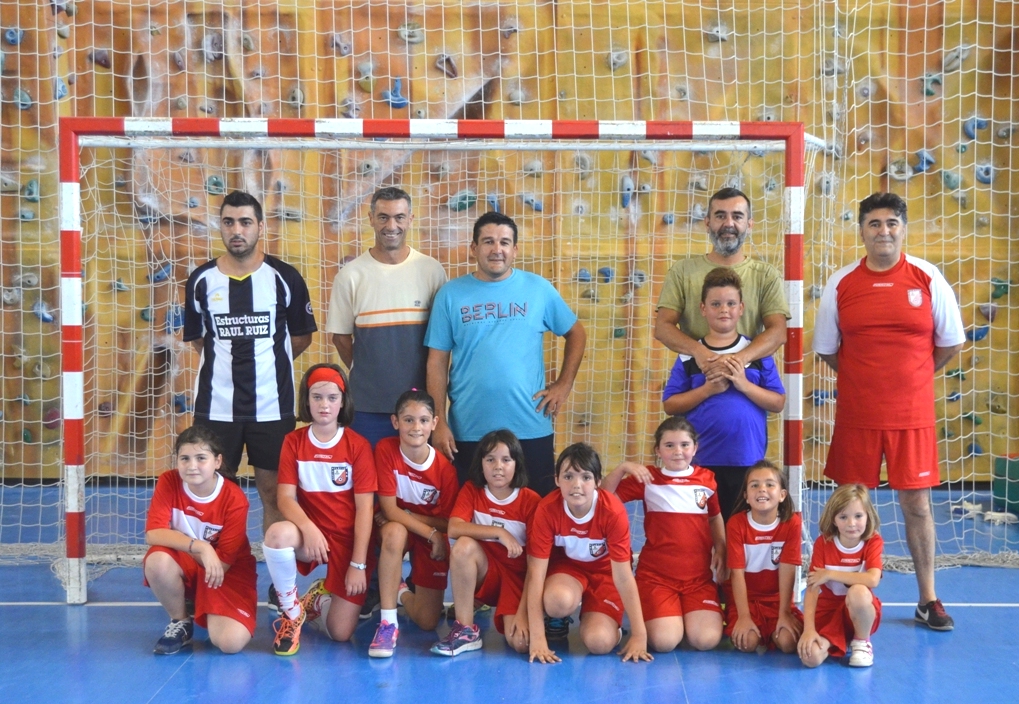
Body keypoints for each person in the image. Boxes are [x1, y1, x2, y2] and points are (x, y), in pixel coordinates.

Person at [813, 192, 965, 631]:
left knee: (917, 505)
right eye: (874, 223)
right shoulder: (841, 283)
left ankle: (928, 598)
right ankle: (840, 597)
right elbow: (827, 350)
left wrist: (910, 378)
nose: (884, 231)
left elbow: (950, 343)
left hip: (911, 417)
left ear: (903, 228)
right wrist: (867, 381)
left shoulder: (928, 277)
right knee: (848, 509)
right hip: (857, 417)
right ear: (861, 230)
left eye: (891, 223)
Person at [184, 190, 317, 537]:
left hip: (272, 408)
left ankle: (279, 582)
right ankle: (217, 577)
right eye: (229, 222)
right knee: (213, 494)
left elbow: (301, 338)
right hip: (216, 408)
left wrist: (271, 365)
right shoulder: (200, 280)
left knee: (275, 494)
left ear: (260, 226)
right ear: (221, 227)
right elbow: (200, 340)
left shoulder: (285, 277)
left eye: (245, 222)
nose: (237, 230)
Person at [425, 211, 586, 496]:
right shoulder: (450, 295)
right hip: (470, 428)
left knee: (537, 511)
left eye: (504, 242)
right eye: (488, 241)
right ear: (473, 248)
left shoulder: (538, 289)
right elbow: (436, 362)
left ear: (515, 249)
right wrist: (439, 422)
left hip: (530, 425)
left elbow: (576, 333)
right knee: (473, 513)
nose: (496, 249)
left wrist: (563, 385)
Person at [262, 364, 376, 656]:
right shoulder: (294, 441)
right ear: (306, 400)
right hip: (310, 538)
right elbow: (285, 498)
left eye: (332, 397)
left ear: (343, 400)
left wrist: (358, 564)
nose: (324, 405)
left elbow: (365, 510)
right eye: (317, 397)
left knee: (340, 633)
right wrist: (309, 528)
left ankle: (316, 602)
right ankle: (291, 612)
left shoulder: (358, 446)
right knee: (277, 534)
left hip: (347, 543)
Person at [325, 187, 447, 447]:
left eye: (399, 217)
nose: (391, 225)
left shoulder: (432, 270)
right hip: (367, 408)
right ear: (370, 219)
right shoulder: (350, 275)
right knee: (368, 485)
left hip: (419, 411)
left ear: (411, 219)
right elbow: (340, 338)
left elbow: (441, 342)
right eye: (383, 217)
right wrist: (370, 373)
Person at [662, 268, 786, 521]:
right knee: (705, 531)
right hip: (701, 461)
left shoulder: (757, 353)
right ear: (703, 309)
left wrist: (743, 384)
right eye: (716, 304)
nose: (724, 309)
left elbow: (778, 402)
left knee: (740, 529)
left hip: (746, 460)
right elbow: (670, 404)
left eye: (730, 303)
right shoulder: (689, 356)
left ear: (741, 308)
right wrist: (707, 390)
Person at [602, 417, 725, 652]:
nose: (677, 451)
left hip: (698, 579)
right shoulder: (648, 479)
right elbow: (604, 497)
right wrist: (623, 467)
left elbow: (714, 517)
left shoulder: (707, 479)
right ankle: (668, 614)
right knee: (664, 642)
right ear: (658, 450)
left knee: (706, 640)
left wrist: (721, 547)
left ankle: (687, 614)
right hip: (657, 578)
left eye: (684, 445)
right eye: (669, 445)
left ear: (695, 448)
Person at [526, 443, 652, 664]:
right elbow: (536, 574)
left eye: (585, 477)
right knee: (558, 600)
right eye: (568, 476)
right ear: (557, 480)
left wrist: (640, 634)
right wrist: (537, 639)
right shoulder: (547, 510)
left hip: (605, 574)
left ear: (598, 482)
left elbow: (623, 576)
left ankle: (606, 621)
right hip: (568, 571)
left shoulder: (612, 511)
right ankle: (558, 619)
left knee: (599, 643)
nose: (577, 485)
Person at [143, 425, 257, 655]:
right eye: (184, 458)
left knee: (230, 643)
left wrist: (205, 554)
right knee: (157, 561)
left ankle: (199, 601)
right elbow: (153, 533)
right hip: (192, 560)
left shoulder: (234, 499)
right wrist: (202, 546)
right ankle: (180, 621)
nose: (192, 466)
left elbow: (222, 564)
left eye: (201, 458)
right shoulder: (169, 481)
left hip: (226, 571)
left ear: (217, 461)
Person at [655, 186, 789, 373]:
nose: (729, 224)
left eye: (737, 216)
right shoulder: (682, 272)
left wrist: (738, 360)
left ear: (749, 225)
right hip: (697, 378)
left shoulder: (766, 275)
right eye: (720, 216)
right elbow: (663, 327)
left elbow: (778, 332)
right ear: (707, 223)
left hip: (749, 382)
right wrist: (701, 353)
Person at [431, 429, 542, 656]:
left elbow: (535, 564)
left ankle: (537, 613)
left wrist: (522, 613)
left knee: (521, 644)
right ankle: (465, 631)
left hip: (516, 581)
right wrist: (499, 532)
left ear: (516, 464)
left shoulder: (531, 501)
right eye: (490, 459)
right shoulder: (472, 490)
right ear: (481, 463)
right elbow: (454, 528)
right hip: (487, 572)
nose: (497, 466)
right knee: (463, 546)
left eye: (506, 459)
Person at [370, 389, 460, 658]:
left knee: (427, 621)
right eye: (408, 420)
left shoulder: (444, 470)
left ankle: (400, 592)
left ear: (434, 423)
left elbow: (447, 524)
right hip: (397, 529)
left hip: (425, 532)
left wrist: (427, 530)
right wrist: (429, 531)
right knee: (395, 531)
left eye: (423, 420)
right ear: (395, 422)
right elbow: (387, 510)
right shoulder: (386, 450)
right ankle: (387, 622)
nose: (416, 427)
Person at [798, 484, 883, 668]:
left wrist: (829, 574)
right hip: (828, 612)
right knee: (810, 658)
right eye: (843, 517)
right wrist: (809, 629)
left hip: (860, 611)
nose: (851, 523)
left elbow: (872, 579)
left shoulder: (872, 541)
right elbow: (813, 588)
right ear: (834, 519)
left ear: (868, 515)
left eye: (858, 516)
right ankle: (839, 640)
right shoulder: (824, 543)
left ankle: (861, 641)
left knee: (858, 592)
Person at [724, 460, 803, 654]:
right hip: (746, 600)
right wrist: (743, 616)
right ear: (746, 496)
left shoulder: (792, 523)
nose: (762, 489)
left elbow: (787, 570)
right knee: (747, 643)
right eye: (754, 485)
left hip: (777, 600)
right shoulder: (736, 523)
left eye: (769, 484)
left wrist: (784, 613)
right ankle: (750, 625)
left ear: (782, 495)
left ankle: (774, 627)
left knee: (788, 642)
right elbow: (737, 574)